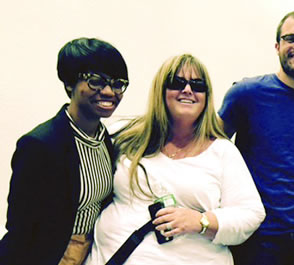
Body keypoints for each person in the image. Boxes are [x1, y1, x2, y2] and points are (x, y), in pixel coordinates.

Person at [84, 54, 265, 265]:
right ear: (161, 90)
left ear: (207, 97)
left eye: (197, 85)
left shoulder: (222, 152)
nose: (187, 90)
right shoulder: (126, 136)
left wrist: (201, 221)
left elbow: (251, 214)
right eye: (177, 83)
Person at [219, 9, 294, 265]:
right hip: (259, 240)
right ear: (277, 46)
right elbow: (209, 148)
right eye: (291, 38)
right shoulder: (246, 94)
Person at [0, 37, 129, 265]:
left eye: (118, 83)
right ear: (70, 84)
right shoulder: (40, 145)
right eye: (96, 81)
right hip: (51, 256)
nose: (109, 91)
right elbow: (20, 228)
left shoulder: (104, 140)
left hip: (92, 253)